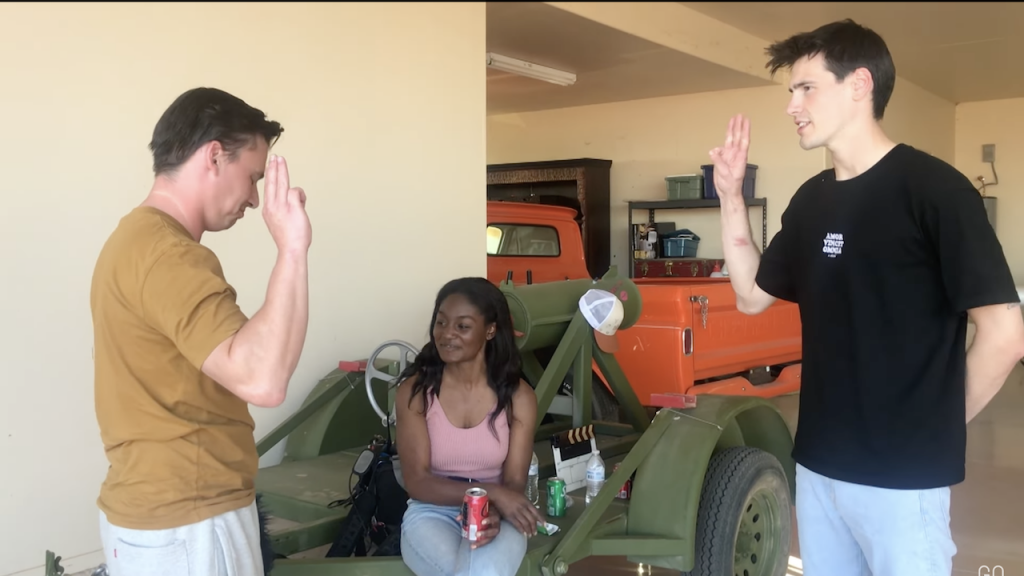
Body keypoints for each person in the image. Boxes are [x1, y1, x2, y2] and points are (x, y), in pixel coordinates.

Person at [709, 19, 1024, 576]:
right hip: (818, 467)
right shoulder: (811, 201)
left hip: (902, 481)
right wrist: (731, 197)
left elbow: (1005, 335)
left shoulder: (936, 190)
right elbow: (752, 295)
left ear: (859, 84)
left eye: (807, 88)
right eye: (791, 91)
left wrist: (934, 429)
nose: (792, 106)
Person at [90, 87, 312, 576]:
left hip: (162, 517)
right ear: (214, 156)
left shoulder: (133, 241)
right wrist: (293, 250)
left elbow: (254, 364)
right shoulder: (169, 256)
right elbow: (263, 380)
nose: (254, 198)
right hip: (189, 520)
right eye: (252, 177)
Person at [394, 277, 545, 576]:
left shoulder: (518, 397)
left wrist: (496, 507)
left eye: (462, 326)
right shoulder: (416, 392)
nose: (446, 334)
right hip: (432, 512)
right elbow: (417, 482)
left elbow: (514, 481)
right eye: (440, 322)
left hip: (497, 514)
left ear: (490, 330)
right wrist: (491, 492)